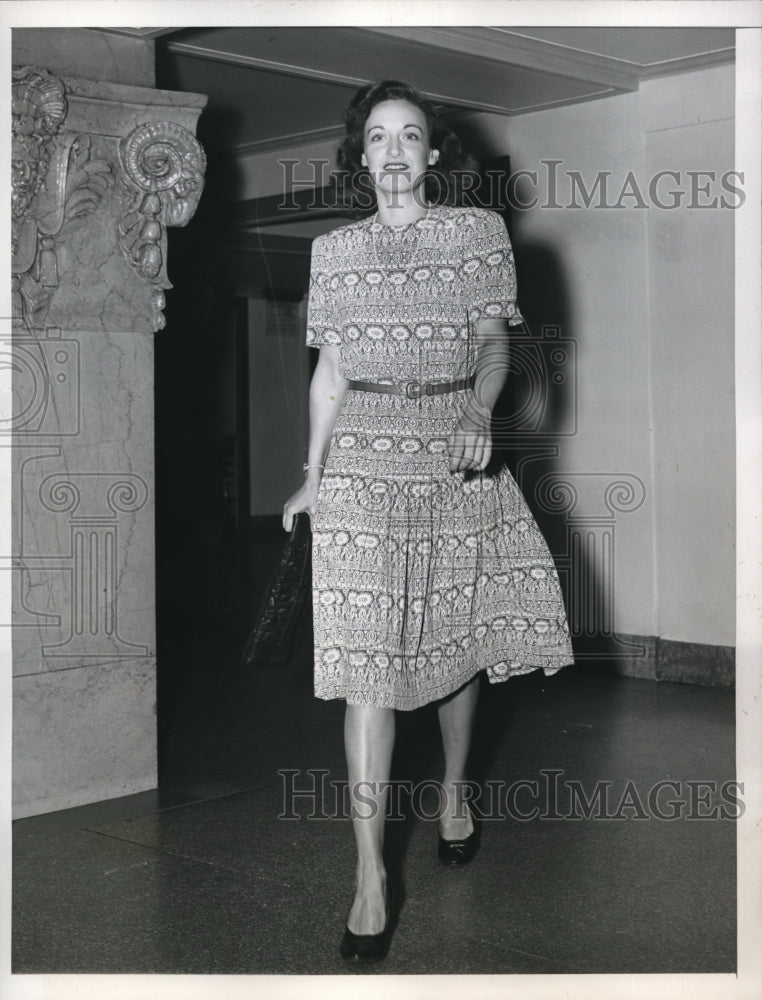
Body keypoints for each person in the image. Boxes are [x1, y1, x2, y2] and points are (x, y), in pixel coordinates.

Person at [282, 79, 574, 962]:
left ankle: (453, 790)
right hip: (363, 466)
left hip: (454, 452)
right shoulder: (332, 252)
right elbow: (330, 376)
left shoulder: (477, 234)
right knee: (366, 668)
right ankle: (370, 876)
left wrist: (484, 411)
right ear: (360, 154)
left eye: (411, 135)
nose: (396, 151)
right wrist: (309, 477)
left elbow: (495, 344)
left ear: (433, 152)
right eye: (378, 137)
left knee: (451, 650)